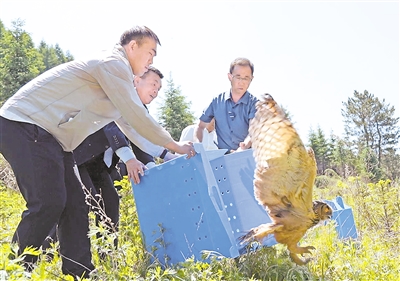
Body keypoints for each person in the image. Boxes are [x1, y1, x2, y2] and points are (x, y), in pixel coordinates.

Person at [0, 26, 196, 278]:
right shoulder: (113, 65)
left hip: (55, 139)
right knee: (48, 202)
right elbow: (138, 117)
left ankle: (79, 272)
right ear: (132, 47)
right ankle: (14, 271)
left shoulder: (119, 78)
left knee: (75, 205)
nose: (151, 61)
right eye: (150, 53)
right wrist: (176, 145)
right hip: (26, 124)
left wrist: (169, 153)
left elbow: (132, 128)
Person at [195, 57, 258, 153]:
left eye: (246, 78)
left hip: (247, 156)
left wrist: (244, 147)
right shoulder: (216, 101)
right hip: (222, 158)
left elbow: (254, 131)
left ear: (251, 79)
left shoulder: (255, 104)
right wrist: (198, 145)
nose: (241, 82)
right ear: (230, 77)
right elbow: (200, 126)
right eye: (238, 77)